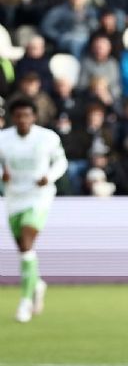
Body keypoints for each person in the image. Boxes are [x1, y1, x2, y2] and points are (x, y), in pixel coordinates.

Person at [0, 97, 67, 323]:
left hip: (39, 197)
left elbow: (61, 162)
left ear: (34, 117)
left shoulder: (47, 138)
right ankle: (37, 284)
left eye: (27, 115)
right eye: (18, 115)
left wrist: (48, 177)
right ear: (13, 118)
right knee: (23, 249)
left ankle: (25, 302)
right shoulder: (3, 139)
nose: (22, 120)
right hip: (13, 198)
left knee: (27, 244)